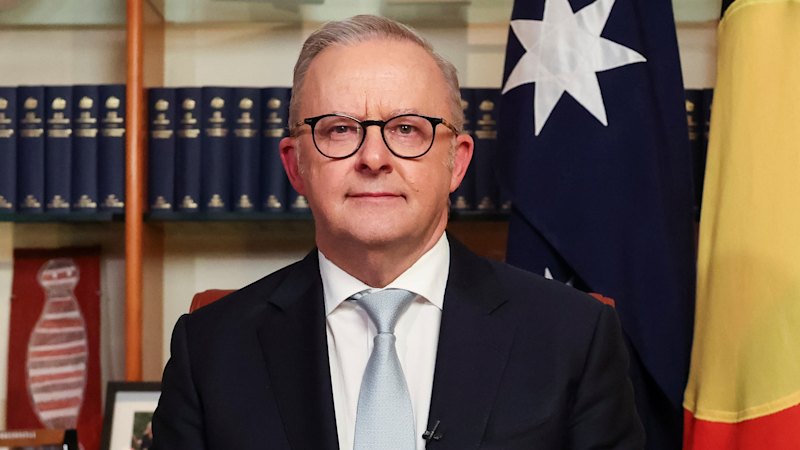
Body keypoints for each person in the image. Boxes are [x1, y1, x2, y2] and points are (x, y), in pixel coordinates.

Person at [151, 15, 644, 450]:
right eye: (339, 129)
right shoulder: (211, 349)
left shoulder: (572, 337)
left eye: (407, 128)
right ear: (296, 165)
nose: (373, 158)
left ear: (457, 162)